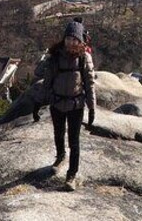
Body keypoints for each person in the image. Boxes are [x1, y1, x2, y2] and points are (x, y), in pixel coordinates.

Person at [37, 20, 96, 190]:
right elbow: (46, 80)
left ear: (80, 41)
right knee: (58, 133)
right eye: (69, 38)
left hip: (76, 104)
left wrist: (92, 108)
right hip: (57, 102)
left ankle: (72, 175)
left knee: (74, 141)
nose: (71, 42)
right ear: (64, 39)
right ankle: (60, 156)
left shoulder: (84, 57)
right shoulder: (55, 56)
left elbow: (90, 83)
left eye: (75, 39)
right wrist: (38, 101)